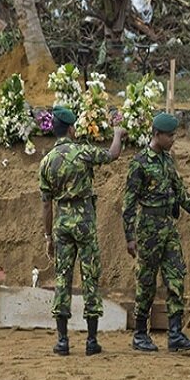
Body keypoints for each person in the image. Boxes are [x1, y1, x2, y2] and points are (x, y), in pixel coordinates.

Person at [122, 113, 190, 353]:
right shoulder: (140, 163)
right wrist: (130, 237)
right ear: (157, 135)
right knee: (146, 282)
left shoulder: (167, 160)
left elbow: (181, 194)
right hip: (148, 230)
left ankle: (175, 334)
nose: (174, 139)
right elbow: (129, 203)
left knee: (176, 278)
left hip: (168, 228)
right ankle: (140, 333)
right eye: (170, 135)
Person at [39, 106, 127, 356]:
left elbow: (46, 205)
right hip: (85, 222)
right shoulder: (82, 152)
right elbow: (112, 155)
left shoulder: (46, 161)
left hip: (62, 224)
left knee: (62, 279)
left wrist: (48, 237)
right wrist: (118, 134)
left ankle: (63, 341)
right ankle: (91, 341)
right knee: (90, 278)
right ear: (70, 128)